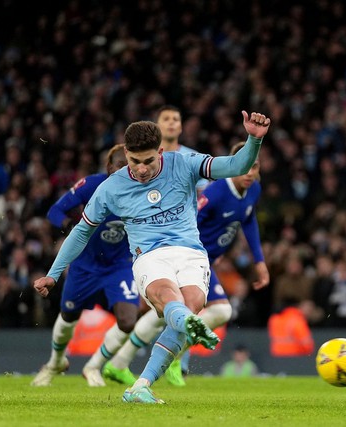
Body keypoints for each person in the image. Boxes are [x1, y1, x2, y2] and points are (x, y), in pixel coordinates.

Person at [34, 110, 270, 404]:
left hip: (191, 253)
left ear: (160, 151)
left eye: (148, 161)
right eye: (135, 161)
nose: (142, 169)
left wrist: (254, 140)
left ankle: (142, 385)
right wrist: (53, 274)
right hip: (149, 256)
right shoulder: (111, 187)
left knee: (193, 303)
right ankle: (187, 324)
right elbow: (81, 232)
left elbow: (236, 165)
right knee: (169, 296)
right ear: (126, 155)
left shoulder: (184, 163)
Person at [102, 142, 270, 387]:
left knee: (172, 313)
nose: (249, 173)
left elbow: (248, 220)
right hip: (190, 258)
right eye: (245, 166)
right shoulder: (216, 193)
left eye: (254, 167)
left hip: (206, 262)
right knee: (214, 310)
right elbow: (189, 218)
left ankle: (123, 363)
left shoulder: (253, 190)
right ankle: (171, 356)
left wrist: (259, 260)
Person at [31, 144, 140, 387]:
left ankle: (93, 366)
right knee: (68, 316)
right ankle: (56, 361)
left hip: (118, 266)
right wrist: (72, 227)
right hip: (85, 265)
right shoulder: (91, 185)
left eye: (130, 164)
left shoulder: (141, 190)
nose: (127, 170)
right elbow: (55, 211)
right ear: (109, 167)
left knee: (128, 321)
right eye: (121, 164)